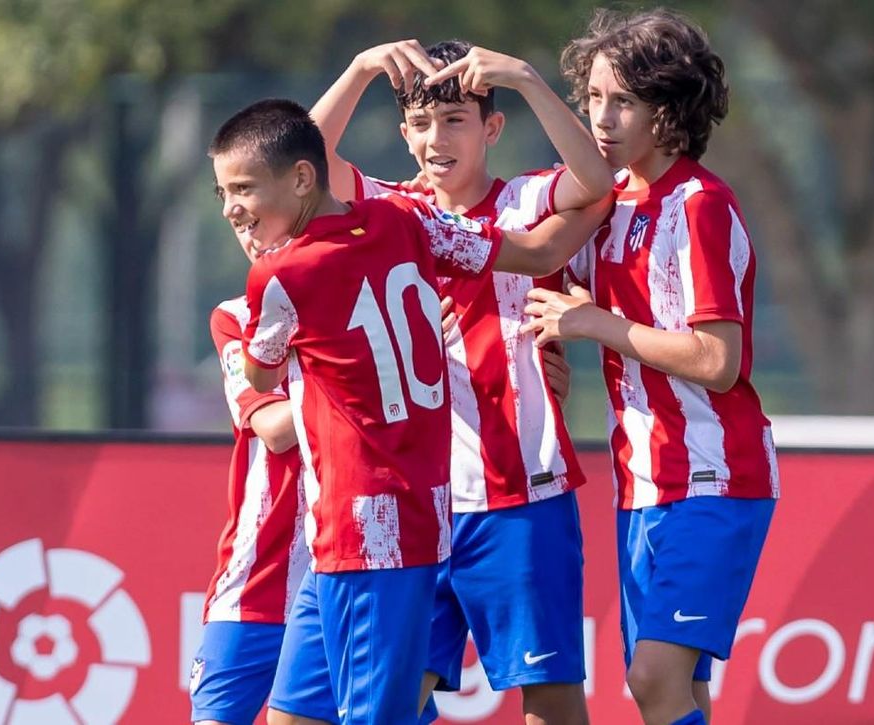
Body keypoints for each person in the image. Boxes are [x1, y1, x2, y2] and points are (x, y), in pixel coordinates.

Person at [210, 98, 597, 725]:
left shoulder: (284, 272)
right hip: (364, 527)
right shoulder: (404, 220)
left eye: (243, 189)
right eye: (225, 191)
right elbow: (529, 254)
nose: (231, 208)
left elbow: (261, 373)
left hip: (382, 525)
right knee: (297, 715)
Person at [310, 39, 613, 725]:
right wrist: (359, 67)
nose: (434, 139)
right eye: (421, 123)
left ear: (491, 128)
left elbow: (595, 180)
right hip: (417, 506)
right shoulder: (386, 210)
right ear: (403, 133)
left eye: (454, 120)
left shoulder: (528, 198)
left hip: (522, 491)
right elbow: (304, 162)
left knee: (553, 699)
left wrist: (528, 76)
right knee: (395, 697)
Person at [522, 10, 780, 725]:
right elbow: (533, 268)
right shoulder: (608, 204)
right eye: (593, 98)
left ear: (671, 112)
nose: (600, 118)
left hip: (713, 475)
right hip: (641, 484)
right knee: (679, 692)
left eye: (622, 101)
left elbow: (718, 361)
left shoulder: (701, 205)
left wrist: (595, 322)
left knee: (652, 679)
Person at [188, 221, 316, 725]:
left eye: (260, 210)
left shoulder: (366, 299)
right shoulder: (235, 317)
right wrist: (361, 368)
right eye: (238, 218)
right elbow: (275, 428)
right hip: (255, 581)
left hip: (353, 572)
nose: (250, 230)